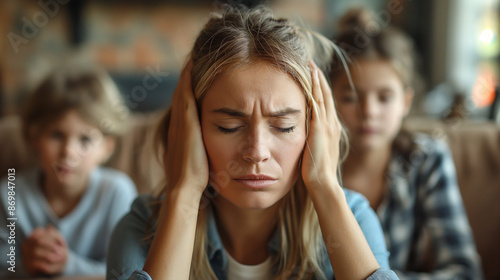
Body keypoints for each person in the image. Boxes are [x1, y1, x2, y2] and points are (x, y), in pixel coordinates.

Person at [107, 5, 398, 280]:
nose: (256, 153)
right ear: (189, 128)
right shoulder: (141, 226)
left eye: (284, 127)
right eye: (229, 126)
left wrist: (324, 184)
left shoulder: (353, 217)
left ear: (315, 129)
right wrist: (184, 194)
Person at [329, 8, 483, 280]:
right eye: (351, 97)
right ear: (329, 99)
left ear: (406, 102)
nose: (369, 112)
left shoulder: (425, 158)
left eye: (385, 98)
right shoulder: (312, 165)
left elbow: (465, 271)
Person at [0, 64, 138, 278]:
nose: (68, 153)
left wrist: (68, 265)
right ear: (34, 137)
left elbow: (128, 273)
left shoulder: (117, 192)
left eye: (85, 139)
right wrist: (25, 267)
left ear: (107, 148)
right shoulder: (9, 193)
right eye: (56, 135)